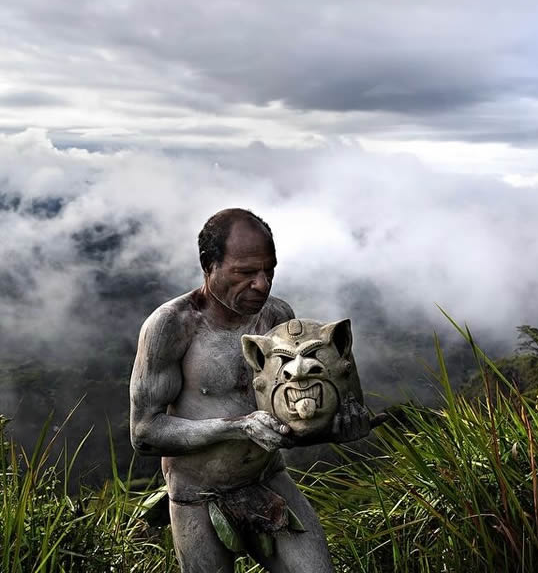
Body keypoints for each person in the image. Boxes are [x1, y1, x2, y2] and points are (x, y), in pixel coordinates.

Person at [130, 208, 371, 572]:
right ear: (208, 265)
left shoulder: (276, 318)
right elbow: (144, 433)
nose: (262, 284)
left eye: (268, 270)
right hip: (196, 493)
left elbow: (287, 423)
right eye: (245, 272)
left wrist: (337, 427)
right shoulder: (171, 325)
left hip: (266, 477)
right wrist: (238, 426)